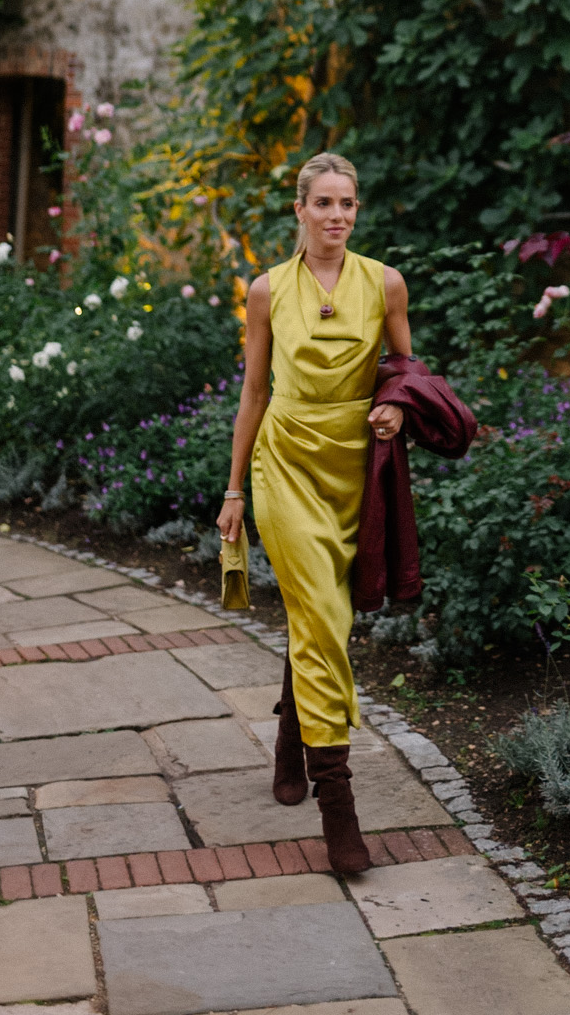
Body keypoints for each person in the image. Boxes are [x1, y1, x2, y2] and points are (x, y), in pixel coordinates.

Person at [216, 151, 410, 876]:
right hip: (286, 464)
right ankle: (340, 810)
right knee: (322, 618)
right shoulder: (267, 291)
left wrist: (392, 404)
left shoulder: (384, 282)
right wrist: (234, 491)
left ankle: (293, 732)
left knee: (327, 621)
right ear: (298, 210)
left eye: (348, 204)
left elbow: (404, 373)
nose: (336, 216)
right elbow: (254, 393)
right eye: (323, 203)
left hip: (355, 467)